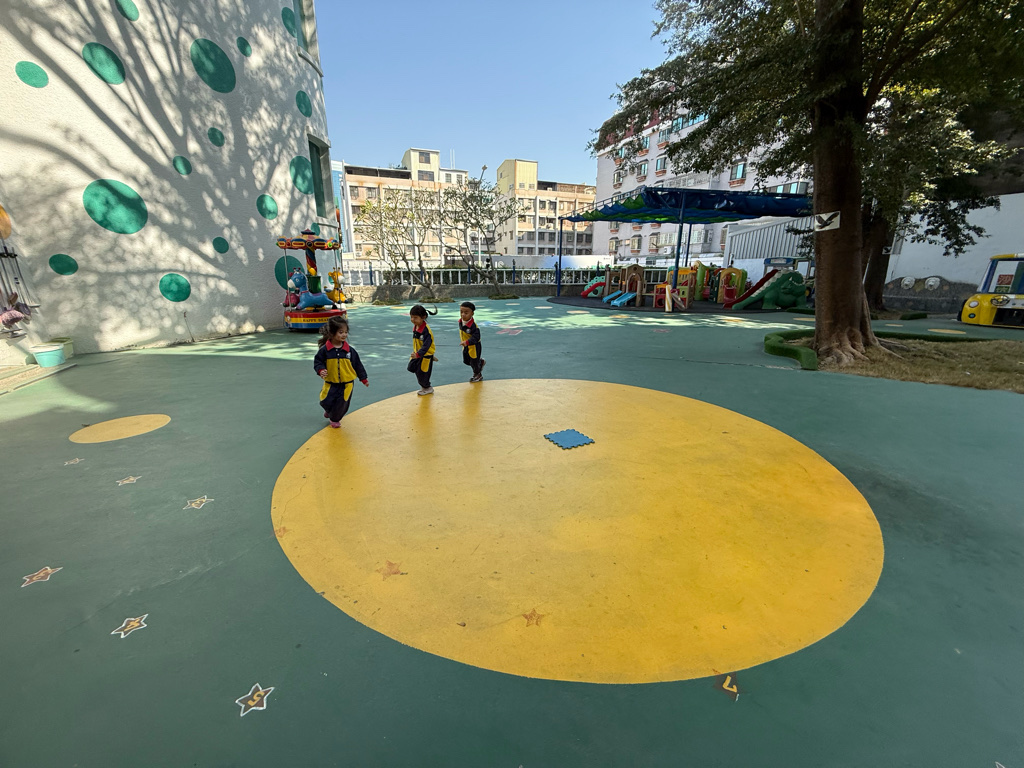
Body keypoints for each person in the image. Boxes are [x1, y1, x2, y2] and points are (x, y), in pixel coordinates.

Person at [313, 316, 368, 427]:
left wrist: (363, 378)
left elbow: (358, 365)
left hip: (347, 383)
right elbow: (318, 361)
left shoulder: (350, 351)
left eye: (346, 332)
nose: (344, 335)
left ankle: (335, 418)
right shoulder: (325, 350)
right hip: (331, 382)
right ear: (332, 333)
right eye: (341, 332)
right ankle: (329, 410)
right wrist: (321, 370)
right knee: (325, 401)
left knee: (342, 404)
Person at [408, 304, 437, 396]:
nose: (413, 319)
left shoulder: (426, 331)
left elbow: (426, 345)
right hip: (418, 354)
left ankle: (428, 387)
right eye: (411, 317)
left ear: (423, 317)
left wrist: (419, 354)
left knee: (423, 373)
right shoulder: (416, 327)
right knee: (413, 368)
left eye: (415, 317)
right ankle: (424, 386)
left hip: (425, 355)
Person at [458, 301, 485, 382]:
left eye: (466, 313)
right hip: (466, 345)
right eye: (461, 312)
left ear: (472, 313)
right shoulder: (460, 321)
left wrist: (467, 342)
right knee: (466, 361)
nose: (463, 314)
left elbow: (476, 337)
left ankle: (477, 374)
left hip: (474, 346)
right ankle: (480, 362)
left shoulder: (473, 326)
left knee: (474, 362)